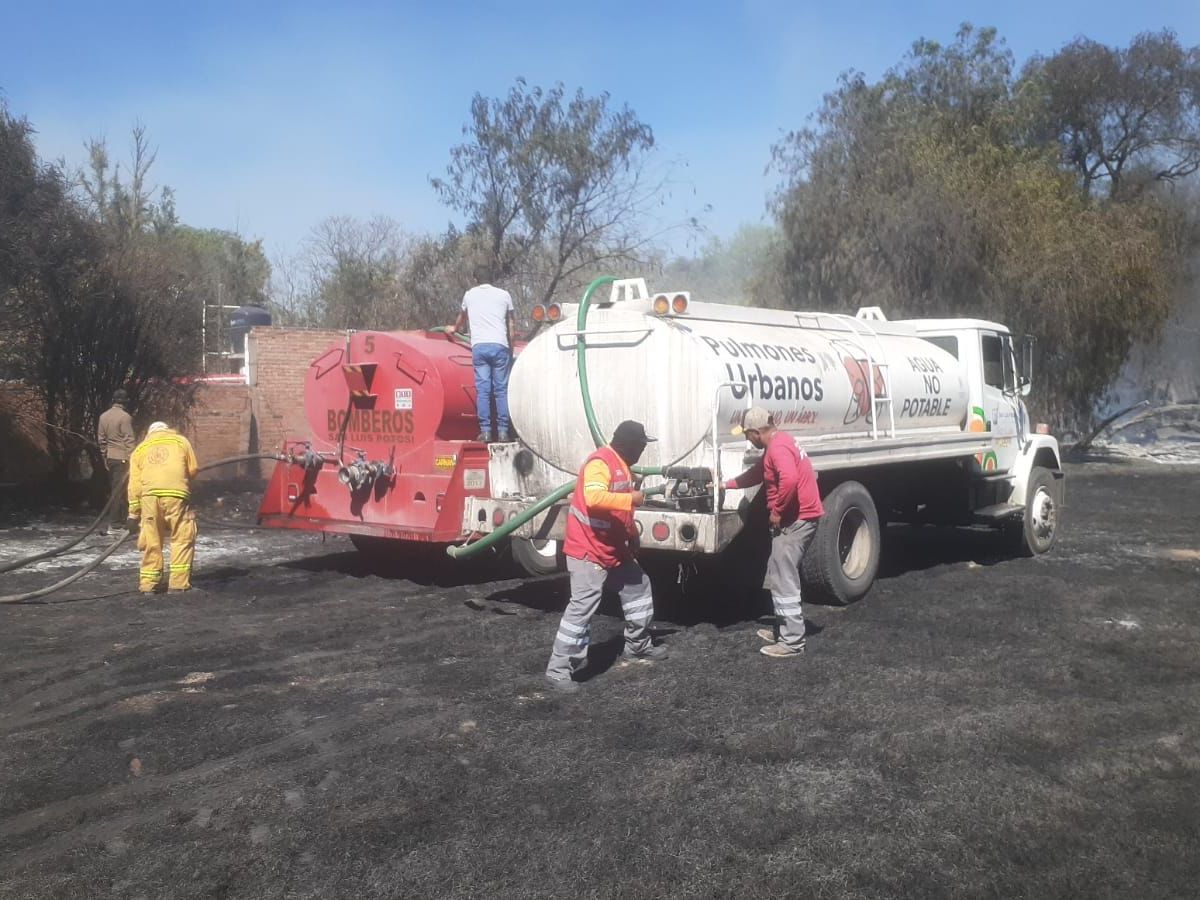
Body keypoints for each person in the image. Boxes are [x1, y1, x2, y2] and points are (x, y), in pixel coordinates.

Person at [545, 420, 668, 693]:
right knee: (582, 607)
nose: (642, 451)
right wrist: (632, 499)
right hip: (588, 550)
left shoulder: (621, 465)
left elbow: (617, 513)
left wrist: (631, 534)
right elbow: (594, 498)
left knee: (638, 588)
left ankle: (637, 645)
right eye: (641, 446)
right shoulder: (600, 463)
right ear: (630, 445)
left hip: (612, 548)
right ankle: (559, 670)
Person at [724, 407, 824, 658]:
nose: (747, 439)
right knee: (779, 571)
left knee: (783, 575)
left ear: (757, 432)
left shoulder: (777, 449)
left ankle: (791, 641)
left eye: (748, 434)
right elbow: (758, 474)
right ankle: (785, 629)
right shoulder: (779, 443)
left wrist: (777, 511)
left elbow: (788, 480)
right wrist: (727, 484)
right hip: (800, 518)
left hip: (796, 521)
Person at [127, 421, 200, 593]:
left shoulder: (140, 449)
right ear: (167, 429)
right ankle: (178, 585)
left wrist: (133, 514)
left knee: (151, 539)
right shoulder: (181, 441)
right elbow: (193, 469)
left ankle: (148, 585)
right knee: (182, 537)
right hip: (176, 496)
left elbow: (134, 486)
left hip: (149, 498)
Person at [451, 281, 517, 443]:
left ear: (475, 280)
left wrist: (454, 328)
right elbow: (511, 324)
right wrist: (511, 347)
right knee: (501, 390)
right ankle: (503, 432)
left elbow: (462, 317)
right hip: (500, 345)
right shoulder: (504, 294)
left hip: (479, 347)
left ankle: (486, 432)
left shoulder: (469, 295)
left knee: (483, 391)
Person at [97, 389, 135, 531]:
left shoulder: (103, 416)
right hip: (123, 458)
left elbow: (101, 439)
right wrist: (133, 459)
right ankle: (116, 522)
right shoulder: (125, 417)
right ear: (124, 402)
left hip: (111, 458)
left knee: (115, 488)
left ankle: (119, 519)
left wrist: (105, 456)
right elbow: (129, 440)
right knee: (120, 490)